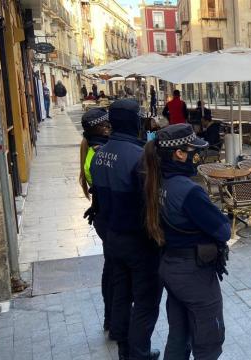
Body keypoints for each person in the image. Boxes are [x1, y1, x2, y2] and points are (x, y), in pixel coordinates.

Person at [142, 124, 230, 360]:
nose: (196, 154)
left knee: (179, 335)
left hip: (171, 267)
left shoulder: (157, 182)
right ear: (179, 153)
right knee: (208, 339)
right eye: (193, 149)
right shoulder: (189, 191)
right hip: (194, 274)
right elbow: (223, 230)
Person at [90, 99, 162, 360]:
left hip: (112, 237)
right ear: (134, 121)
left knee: (121, 294)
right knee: (145, 301)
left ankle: (124, 350)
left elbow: (96, 198)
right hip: (138, 241)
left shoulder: (100, 155)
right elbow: (151, 203)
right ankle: (139, 354)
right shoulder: (139, 157)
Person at [78, 109, 113, 333]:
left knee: (110, 269)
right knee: (113, 272)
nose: (109, 128)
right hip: (108, 218)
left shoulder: (89, 149)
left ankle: (110, 317)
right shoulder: (99, 153)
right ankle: (112, 317)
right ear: (97, 129)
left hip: (101, 216)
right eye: (105, 125)